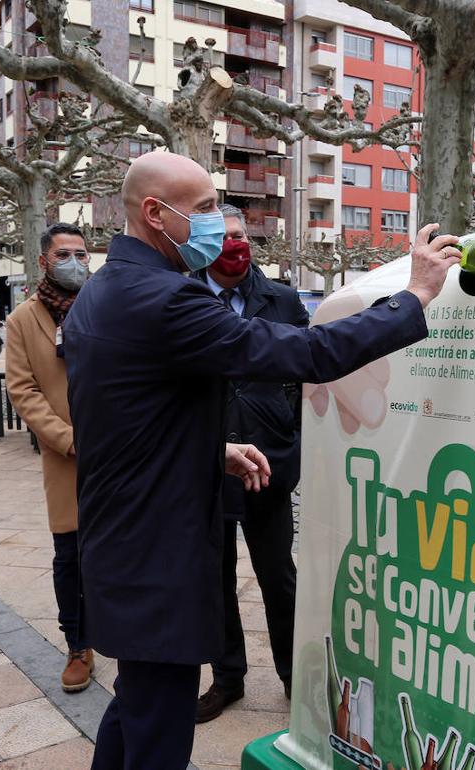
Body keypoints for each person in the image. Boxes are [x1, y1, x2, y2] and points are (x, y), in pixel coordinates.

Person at [63, 150, 461, 770]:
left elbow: (127, 414)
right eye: (201, 210)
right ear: (153, 213)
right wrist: (414, 295)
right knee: (159, 726)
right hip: (155, 550)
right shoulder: (163, 299)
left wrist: (211, 448)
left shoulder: (107, 287)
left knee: (138, 704)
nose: (218, 225)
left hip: (125, 537)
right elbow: (310, 353)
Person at [192, 205, 307, 722]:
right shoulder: (184, 296)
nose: (236, 245)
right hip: (207, 462)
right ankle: (228, 677)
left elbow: (307, 372)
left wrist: (290, 431)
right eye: (225, 237)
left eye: (242, 236)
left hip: (269, 461)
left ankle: (293, 675)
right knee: (213, 580)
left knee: (279, 575)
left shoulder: (280, 299)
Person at [5, 222, 95, 693]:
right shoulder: (23, 319)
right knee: (69, 556)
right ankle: (78, 644)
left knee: (118, 549)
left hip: (119, 451)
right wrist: (67, 438)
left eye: (81, 254)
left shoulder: (107, 305)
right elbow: (23, 390)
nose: (75, 262)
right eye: (64, 254)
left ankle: (118, 631)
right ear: (43, 260)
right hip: (68, 458)